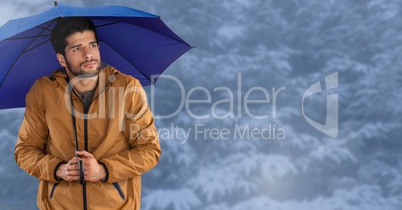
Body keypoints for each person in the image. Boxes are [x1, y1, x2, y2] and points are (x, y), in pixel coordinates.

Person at [14, 17, 161, 210]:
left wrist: (104, 170)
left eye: (92, 45)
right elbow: (25, 150)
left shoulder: (127, 88)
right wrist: (58, 169)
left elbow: (149, 150)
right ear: (61, 58)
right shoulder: (43, 91)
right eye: (77, 48)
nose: (88, 54)